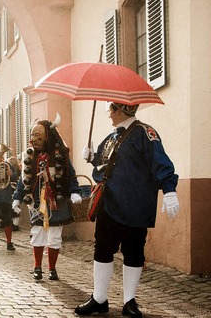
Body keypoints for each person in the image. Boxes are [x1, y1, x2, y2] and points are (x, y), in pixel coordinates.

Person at [76, 102, 180, 318]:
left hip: (136, 205)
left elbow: (161, 163)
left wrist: (169, 189)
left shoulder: (146, 133)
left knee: (134, 253)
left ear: (120, 110)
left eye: (110, 111)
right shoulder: (112, 137)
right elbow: (105, 164)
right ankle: (99, 299)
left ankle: (129, 301)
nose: (109, 115)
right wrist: (92, 157)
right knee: (102, 250)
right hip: (109, 204)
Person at [12, 114, 82, 281]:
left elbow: (70, 175)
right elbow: (24, 180)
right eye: (33, 136)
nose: (34, 140)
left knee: (55, 235)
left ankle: (52, 269)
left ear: (48, 137)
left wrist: (74, 191)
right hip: (37, 202)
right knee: (37, 233)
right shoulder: (29, 156)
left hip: (57, 201)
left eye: (38, 136)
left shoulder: (61, 155)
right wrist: (17, 197)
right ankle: (37, 267)